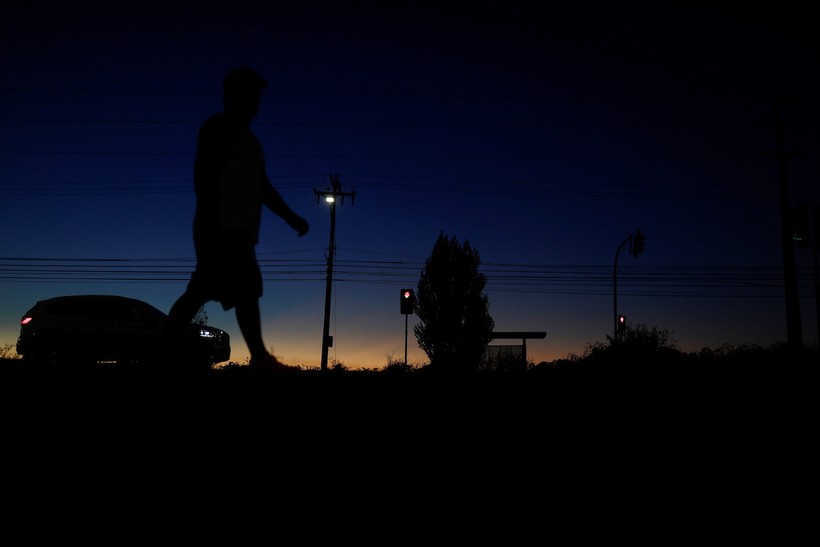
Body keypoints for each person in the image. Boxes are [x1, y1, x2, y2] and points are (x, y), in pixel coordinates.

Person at [157, 66, 309, 375]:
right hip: (219, 227)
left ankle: (163, 351)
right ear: (232, 96)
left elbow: (263, 187)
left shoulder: (250, 141)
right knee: (237, 288)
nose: (254, 101)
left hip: (237, 230)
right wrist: (211, 222)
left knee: (224, 289)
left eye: (255, 95)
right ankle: (259, 356)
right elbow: (203, 173)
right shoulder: (220, 127)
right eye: (248, 94)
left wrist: (292, 218)